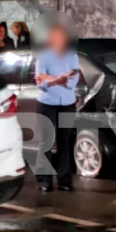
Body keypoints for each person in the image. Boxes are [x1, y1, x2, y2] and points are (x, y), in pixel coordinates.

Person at [35, 22, 80, 192]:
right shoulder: (43, 56)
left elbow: (73, 80)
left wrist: (53, 79)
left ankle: (65, 181)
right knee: (46, 142)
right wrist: (58, 79)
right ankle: (44, 181)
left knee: (64, 142)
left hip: (67, 103)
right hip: (47, 103)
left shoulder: (72, 56)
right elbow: (41, 83)